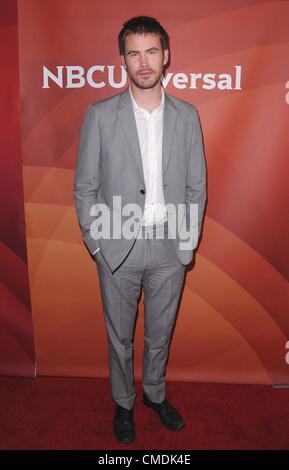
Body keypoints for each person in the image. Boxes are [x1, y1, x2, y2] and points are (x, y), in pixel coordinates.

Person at [73, 15, 207, 444]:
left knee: (160, 333)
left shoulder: (188, 116)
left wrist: (186, 246)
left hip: (169, 246)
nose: (143, 62)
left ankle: (153, 394)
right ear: (123, 61)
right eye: (134, 53)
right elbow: (85, 188)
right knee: (119, 336)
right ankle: (124, 401)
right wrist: (97, 243)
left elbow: (195, 187)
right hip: (117, 244)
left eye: (151, 51)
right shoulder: (99, 115)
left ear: (166, 57)